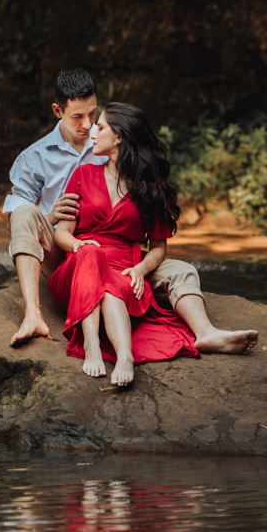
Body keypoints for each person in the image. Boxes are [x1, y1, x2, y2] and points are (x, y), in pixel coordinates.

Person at [3, 69, 258, 355]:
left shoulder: (108, 140)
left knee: (183, 270)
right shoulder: (35, 157)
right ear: (57, 111)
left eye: (93, 115)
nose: (88, 126)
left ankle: (207, 333)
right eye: (77, 117)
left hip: (124, 257)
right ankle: (32, 314)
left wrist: (139, 268)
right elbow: (15, 222)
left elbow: (156, 237)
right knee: (25, 212)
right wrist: (51, 220)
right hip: (63, 249)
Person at [48, 102, 197, 387]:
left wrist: (140, 270)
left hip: (123, 269)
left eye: (100, 127)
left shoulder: (152, 186)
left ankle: (125, 356)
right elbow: (62, 234)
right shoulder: (83, 175)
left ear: (119, 137)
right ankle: (91, 346)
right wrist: (78, 246)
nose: (92, 131)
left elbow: (158, 248)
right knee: (92, 253)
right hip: (78, 268)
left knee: (115, 282)